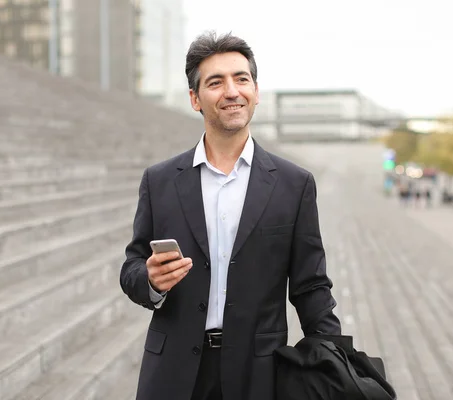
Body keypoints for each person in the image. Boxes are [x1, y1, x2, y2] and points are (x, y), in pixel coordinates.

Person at [120, 31, 341, 400]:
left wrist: (336, 358)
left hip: (259, 373)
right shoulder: (159, 181)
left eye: (241, 78)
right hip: (173, 372)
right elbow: (132, 267)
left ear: (255, 90)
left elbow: (311, 285)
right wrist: (151, 280)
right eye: (215, 82)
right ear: (195, 99)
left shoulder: (294, 184)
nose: (232, 91)